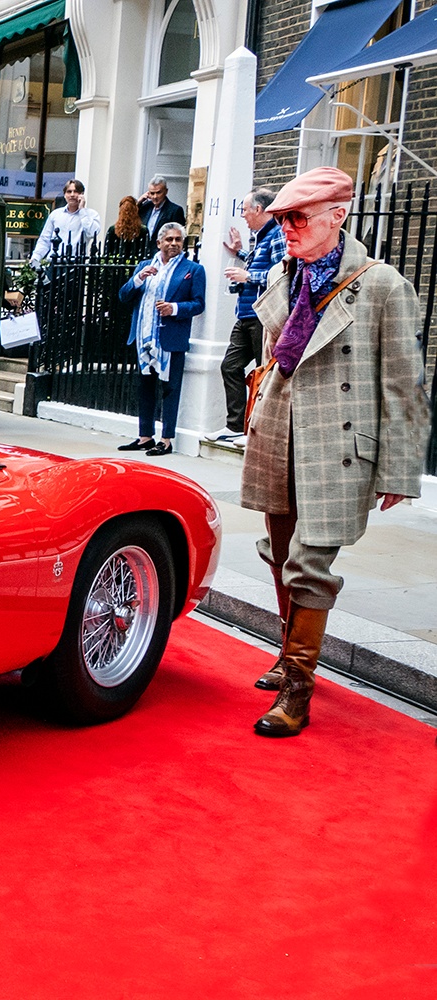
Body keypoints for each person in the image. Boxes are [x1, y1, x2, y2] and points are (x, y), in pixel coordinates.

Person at [241, 167, 429, 738]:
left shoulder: (383, 285)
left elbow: (405, 384)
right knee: (278, 552)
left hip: (338, 443)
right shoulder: (286, 275)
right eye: (282, 220)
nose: (288, 230)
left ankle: (299, 687)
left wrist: (398, 468)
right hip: (280, 427)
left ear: (338, 216)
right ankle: (285, 653)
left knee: (309, 564)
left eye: (299, 218)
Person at [116, 222, 204, 457]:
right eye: (169, 239)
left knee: (170, 388)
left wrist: (173, 308)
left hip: (170, 337)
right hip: (144, 337)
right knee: (145, 387)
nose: (174, 244)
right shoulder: (146, 266)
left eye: (178, 240)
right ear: (159, 242)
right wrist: (138, 279)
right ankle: (145, 436)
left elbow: (198, 304)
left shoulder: (192, 270)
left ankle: (166, 439)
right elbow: (124, 296)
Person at [210, 187, 286, 444]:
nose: (243, 215)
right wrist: (241, 253)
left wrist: (248, 276)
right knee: (229, 366)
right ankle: (235, 426)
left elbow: (285, 275)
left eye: (245, 210)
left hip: (261, 315)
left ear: (259, 209)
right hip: (245, 314)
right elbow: (261, 264)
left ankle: (255, 429)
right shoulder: (262, 237)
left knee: (262, 373)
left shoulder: (276, 235)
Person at [29, 179, 103, 267]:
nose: (72, 195)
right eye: (69, 192)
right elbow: (45, 239)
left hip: (77, 264)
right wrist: (36, 258)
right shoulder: (56, 214)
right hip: (55, 262)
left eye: (76, 192)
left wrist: (82, 210)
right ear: (64, 195)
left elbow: (92, 233)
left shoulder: (91, 214)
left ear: (82, 194)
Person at [139, 175, 187, 243]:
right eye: (152, 193)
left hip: (162, 251)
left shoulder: (175, 210)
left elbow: (179, 235)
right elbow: (129, 218)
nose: (155, 196)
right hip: (143, 250)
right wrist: (139, 202)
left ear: (166, 191)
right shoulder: (145, 207)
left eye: (158, 193)